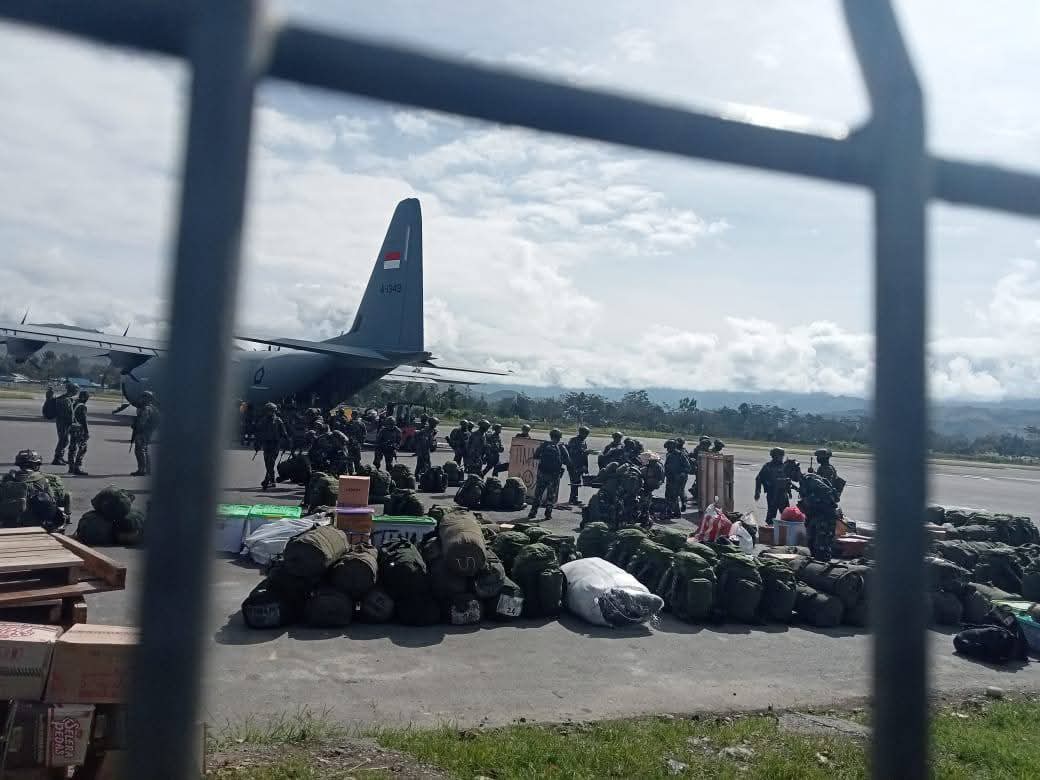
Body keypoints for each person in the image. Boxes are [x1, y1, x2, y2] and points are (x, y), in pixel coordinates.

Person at [0, 450, 67, 530]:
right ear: (36, 465)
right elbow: (53, 501)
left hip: (8, 522)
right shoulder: (42, 479)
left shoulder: (7, 479)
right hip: (35, 523)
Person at [795, 467, 840, 560]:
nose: (791, 478)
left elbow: (828, 493)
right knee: (811, 543)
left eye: (791, 475)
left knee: (822, 546)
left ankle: (823, 566)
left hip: (825, 516)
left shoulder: (811, 480)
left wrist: (811, 499)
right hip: (815, 516)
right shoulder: (803, 483)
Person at [527, 429, 569, 521]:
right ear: (559, 437)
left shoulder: (545, 445)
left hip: (542, 473)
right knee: (551, 495)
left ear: (551, 436)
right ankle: (548, 514)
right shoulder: (561, 447)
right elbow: (567, 461)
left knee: (538, 494)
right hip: (554, 475)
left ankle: (532, 512)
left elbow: (536, 456)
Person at [254, 402, 288, 489]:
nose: (269, 412)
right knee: (267, 462)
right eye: (268, 411)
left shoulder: (278, 421)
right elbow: (258, 433)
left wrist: (287, 442)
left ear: (274, 411)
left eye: (271, 411)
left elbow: (284, 433)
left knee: (271, 462)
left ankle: (267, 480)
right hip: (266, 444)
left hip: (275, 444)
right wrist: (257, 444)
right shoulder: (263, 421)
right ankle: (272, 480)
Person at [754, 447, 791, 524]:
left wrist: (789, 492)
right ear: (774, 456)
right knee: (771, 515)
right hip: (772, 494)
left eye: (782, 456)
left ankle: (786, 531)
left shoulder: (784, 466)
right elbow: (759, 478)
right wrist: (757, 491)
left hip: (783, 495)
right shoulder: (768, 467)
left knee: (787, 516)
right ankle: (770, 531)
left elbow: (788, 480)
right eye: (780, 456)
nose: (781, 458)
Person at [130, 391, 160, 476]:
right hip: (147, 432)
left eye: (143, 397)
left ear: (147, 398)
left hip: (143, 432)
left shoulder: (145, 409)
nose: (141, 398)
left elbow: (142, 422)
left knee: (140, 450)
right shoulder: (151, 407)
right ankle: (147, 470)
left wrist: (135, 426)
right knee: (144, 450)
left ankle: (142, 470)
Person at [663, 439, 691, 518]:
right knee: (668, 495)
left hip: (677, 479)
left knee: (674, 496)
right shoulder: (669, 454)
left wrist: (680, 474)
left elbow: (688, 467)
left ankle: (676, 512)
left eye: (669, 447)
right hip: (670, 478)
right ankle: (670, 511)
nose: (668, 449)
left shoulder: (680, 455)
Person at [52, 382, 78, 466]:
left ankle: (60, 457)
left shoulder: (66, 398)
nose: (77, 391)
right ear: (73, 390)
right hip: (63, 423)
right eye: (76, 389)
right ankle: (57, 458)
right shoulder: (65, 400)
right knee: (63, 440)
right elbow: (68, 413)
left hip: (62, 422)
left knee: (64, 440)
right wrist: (73, 422)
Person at [565, 425, 590, 505]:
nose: (586, 436)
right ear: (581, 433)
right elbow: (571, 453)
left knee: (577, 482)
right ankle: (572, 499)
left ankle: (574, 498)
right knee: (574, 482)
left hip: (580, 465)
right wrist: (583, 452)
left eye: (587, 434)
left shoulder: (583, 441)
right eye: (585, 434)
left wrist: (586, 466)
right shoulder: (573, 440)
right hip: (573, 465)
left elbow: (584, 456)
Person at [67, 390, 90, 476]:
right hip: (79, 429)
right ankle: (77, 467)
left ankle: (71, 467)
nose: (87, 399)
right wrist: (86, 432)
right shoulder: (82, 406)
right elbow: (83, 420)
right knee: (83, 448)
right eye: (87, 397)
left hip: (72, 428)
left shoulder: (74, 403)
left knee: (72, 448)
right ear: (84, 397)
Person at [344, 410, 367, 475]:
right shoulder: (348, 423)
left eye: (355, 414)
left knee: (356, 460)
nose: (353, 416)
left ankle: (357, 473)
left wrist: (361, 442)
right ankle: (351, 473)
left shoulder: (361, 424)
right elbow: (345, 432)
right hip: (350, 444)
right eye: (353, 414)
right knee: (350, 460)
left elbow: (364, 433)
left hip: (356, 444)